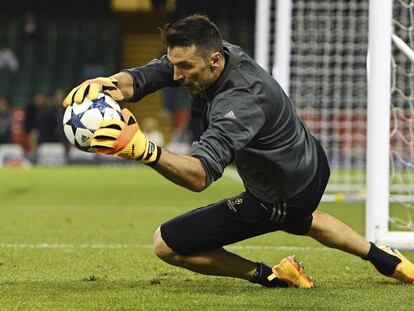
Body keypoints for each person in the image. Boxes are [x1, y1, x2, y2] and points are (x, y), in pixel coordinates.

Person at [63, 14, 414, 287]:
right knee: (300, 221)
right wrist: (108, 86)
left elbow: (199, 176)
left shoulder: (240, 101)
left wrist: (143, 149)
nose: (177, 74)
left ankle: (271, 275)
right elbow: (144, 77)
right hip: (309, 163)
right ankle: (383, 257)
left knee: (167, 244)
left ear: (214, 62)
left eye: (185, 68)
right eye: (174, 64)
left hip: (279, 192)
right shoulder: (213, 55)